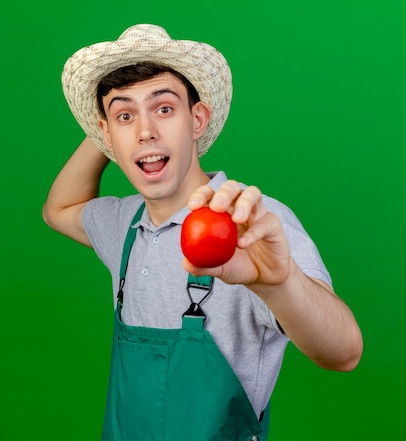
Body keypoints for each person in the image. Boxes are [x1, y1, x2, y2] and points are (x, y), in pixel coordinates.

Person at [43, 24, 363, 441]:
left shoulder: (254, 225)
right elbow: (58, 209)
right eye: (125, 116)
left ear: (197, 119)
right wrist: (107, 130)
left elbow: (344, 353)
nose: (145, 132)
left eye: (163, 108)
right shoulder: (124, 223)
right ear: (105, 133)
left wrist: (280, 284)